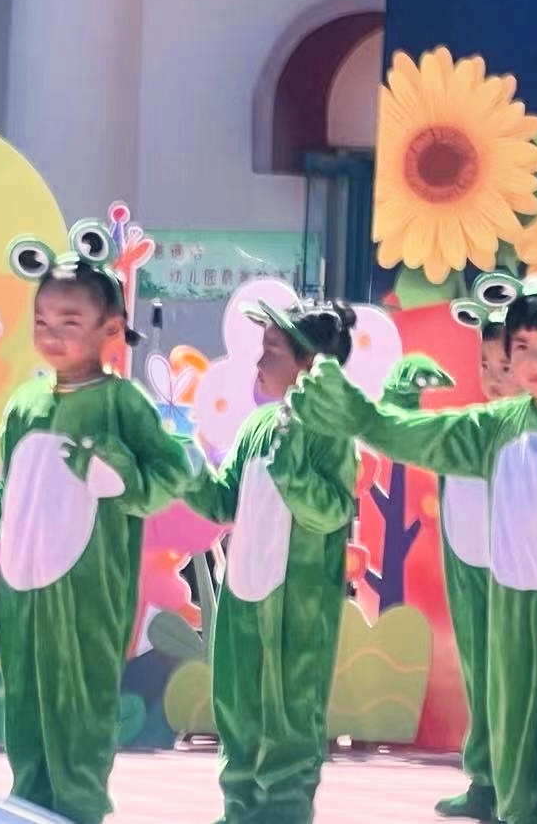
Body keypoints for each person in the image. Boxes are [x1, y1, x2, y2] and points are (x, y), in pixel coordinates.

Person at [289, 265, 537, 824]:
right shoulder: (495, 424)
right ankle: (515, 808)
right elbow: (422, 437)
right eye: (522, 347)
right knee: (512, 717)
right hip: (510, 607)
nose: (536, 362)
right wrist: (363, 416)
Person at [0, 225, 195, 824]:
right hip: (23, 590)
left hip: (88, 591)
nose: (52, 334)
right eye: (42, 320)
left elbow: (171, 472)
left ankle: (78, 810)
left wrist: (122, 481)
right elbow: (9, 496)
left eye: (70, 321)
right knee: (27, 708)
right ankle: (30, 806)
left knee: (79, 707)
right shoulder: (26, 404)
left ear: (110, 329)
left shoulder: (121, 402)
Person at [183, 300, 442, 824]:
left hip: (297, 606)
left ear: (309, 365)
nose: (259, 362)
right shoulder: (258, 424)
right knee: (237, 704)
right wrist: (185, 466)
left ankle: (283, 808)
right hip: (245, 595)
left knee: (291, 709)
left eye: (272, 351)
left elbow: (331, 511)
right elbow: (223, 502)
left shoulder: (330, 430)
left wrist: (292, 471)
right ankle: (240, 806)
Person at [433, 303, 510, 821]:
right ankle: (484, 780)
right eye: (485, 364)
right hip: (469, 567)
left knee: (514, 683)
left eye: (504, 365)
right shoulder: (467, 426)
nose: (493, 377)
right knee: (480, 678)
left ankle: (518, 783)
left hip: (518, 579)